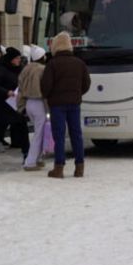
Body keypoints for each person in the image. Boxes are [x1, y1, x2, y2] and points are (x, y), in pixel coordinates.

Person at [40, 32, 91, 178]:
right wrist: (77, 93)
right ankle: (79, 167)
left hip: (57, 105)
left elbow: (46, 86)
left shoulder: (52, 64)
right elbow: (86, 84)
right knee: (77, 135)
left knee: (59, 136)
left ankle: (59, 168)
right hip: (74, 103)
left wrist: (49, 95)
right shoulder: (79, 63)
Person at [17, 45, 48, 171]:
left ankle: (38, 159)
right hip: (39, 102)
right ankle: (30, 162)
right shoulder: (42, 69)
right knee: (39, 133)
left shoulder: (26, 69)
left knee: (38, 131)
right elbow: (45, 88)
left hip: (28, 102)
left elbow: (19, 87)